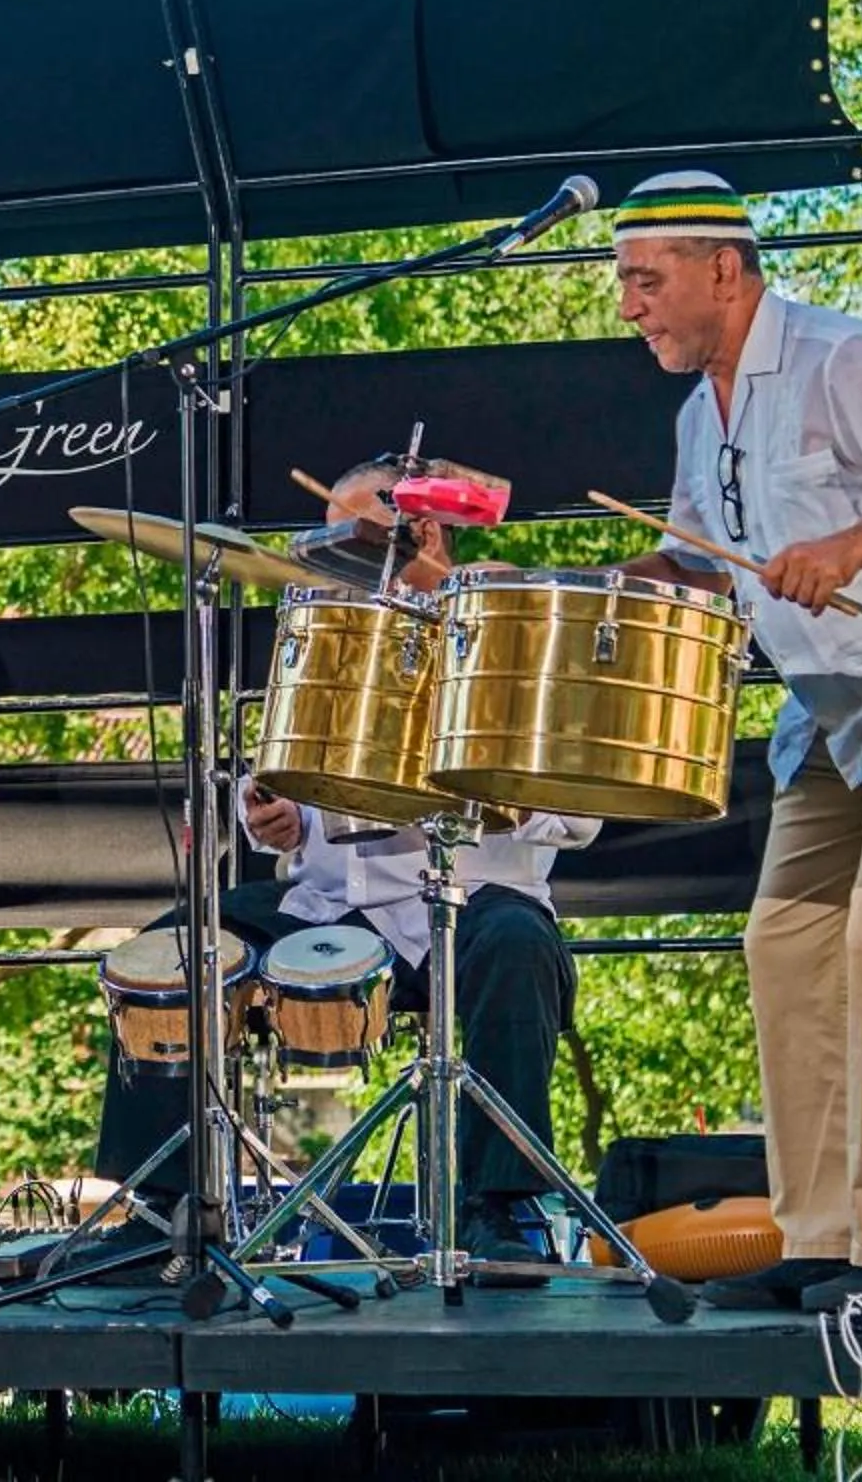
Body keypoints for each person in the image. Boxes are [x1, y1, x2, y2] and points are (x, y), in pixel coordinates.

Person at [607, 170, 862, 1315]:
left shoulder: (842, 361)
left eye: (646, 278)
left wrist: (856, 544)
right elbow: (695, 561)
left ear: (724, 268)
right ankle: (825, 1232)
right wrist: (615, 579)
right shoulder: (697, 416)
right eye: (624, 282)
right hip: (829, 710)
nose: (630, 305)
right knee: (785, 943)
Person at [87, 462, 598, 1277]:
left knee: (517, 947)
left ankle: (500, 1208)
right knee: (175, 948)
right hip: (334, 906)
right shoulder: (325, 639)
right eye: (328, 542)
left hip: (476, 900)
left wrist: (492, 800)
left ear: (425, 530)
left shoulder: (515, 631)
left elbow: (580, 813)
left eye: (357, 540)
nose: (334, 562)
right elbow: (298, 809)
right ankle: (162, 1208)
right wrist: (284, 821)